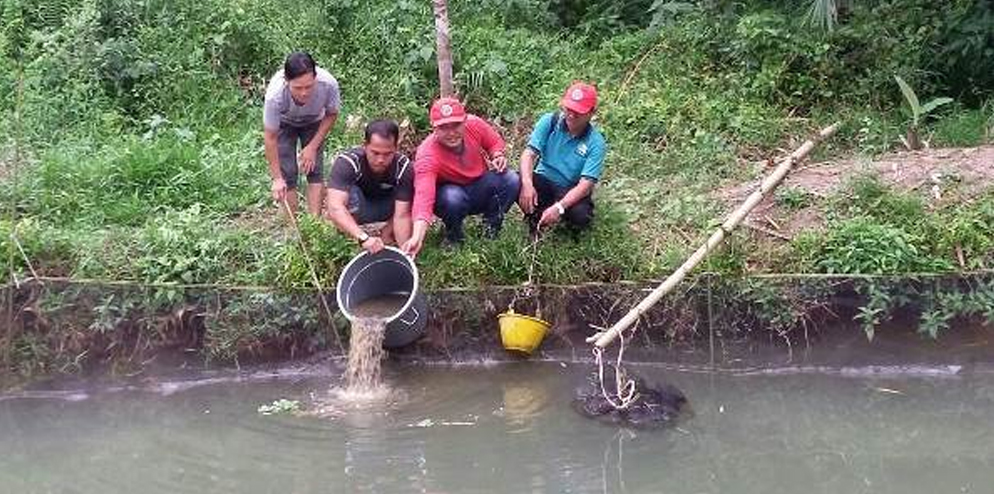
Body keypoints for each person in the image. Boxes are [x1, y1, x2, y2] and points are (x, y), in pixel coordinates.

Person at [401, 98, 520, 257]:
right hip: (449, 198)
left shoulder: (475, 124)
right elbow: (423, 198)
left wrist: (497, 154)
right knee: (452, 197)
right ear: (434, 129)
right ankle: (454, 236)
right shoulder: (427, 155)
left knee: (511, 179)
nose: (451, 133)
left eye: (456, 125)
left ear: (464, 121)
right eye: (444, 128)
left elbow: (494, 142)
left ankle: (490, 228)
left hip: (478, 187)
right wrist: (417, 237)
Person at [518, 82, 606, 234]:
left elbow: (585, 185)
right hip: (543, 180)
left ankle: (564, 226)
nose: (571, 115)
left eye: (578, 111)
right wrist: (527, 184)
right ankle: (533, 216)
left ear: (591, 113)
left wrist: (559, 207)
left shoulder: (596, 142)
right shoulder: (549, 121)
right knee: (515, 181)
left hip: (569, 188)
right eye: (568, 109)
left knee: (581, 216)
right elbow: (529, 154)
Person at [263, 52, 341, 216]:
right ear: (286, 81)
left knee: (315, 170)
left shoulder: (328, 84)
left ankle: (314, 224)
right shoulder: (275, 96)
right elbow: (270, 137)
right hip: (284, 122)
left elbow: (332, 114)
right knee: (287, 173)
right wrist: (277, 178)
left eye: (309, 86)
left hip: (314, 121)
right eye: (298, 88)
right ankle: (295, 227)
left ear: (316, 77)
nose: (304, 93)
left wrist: (312, 147)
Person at [325, 120, 414, 254]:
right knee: (346, 196)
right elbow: (334, 206)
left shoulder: (403, 167)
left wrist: (405, 254)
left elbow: (402, 215)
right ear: (365, 146)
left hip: (388, 208)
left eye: (387, 154)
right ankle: (351, 241)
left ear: (396, 148)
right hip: (360, 208)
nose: (380, 160)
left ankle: (387, 235)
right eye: (375, 153)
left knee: (418, 196)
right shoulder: (348, 162)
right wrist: (363, 238)